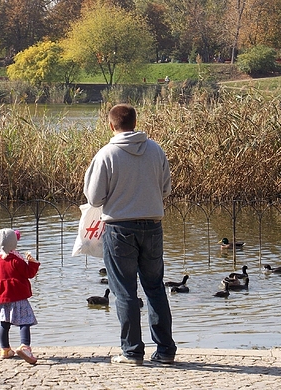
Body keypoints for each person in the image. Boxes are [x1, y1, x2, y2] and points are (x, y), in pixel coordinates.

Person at [83, 103, 176, 365]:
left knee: (124, 290)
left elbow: (94, 197)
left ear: (111, 125)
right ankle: (166, 350)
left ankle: (132, 352)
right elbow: (166, 189)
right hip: (152, 226)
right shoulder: (156, 150)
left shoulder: (107, 154)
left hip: (120, 227)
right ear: (135, 122)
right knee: (155, 287)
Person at [0, 228, 40, 363]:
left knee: (4, 324)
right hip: (18, 296)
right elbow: (29, 273)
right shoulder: (16, 260)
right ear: (14, 244)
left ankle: (5, 349)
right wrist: (32, 262)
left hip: (2, 298)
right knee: (25, 321)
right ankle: (25, 346)